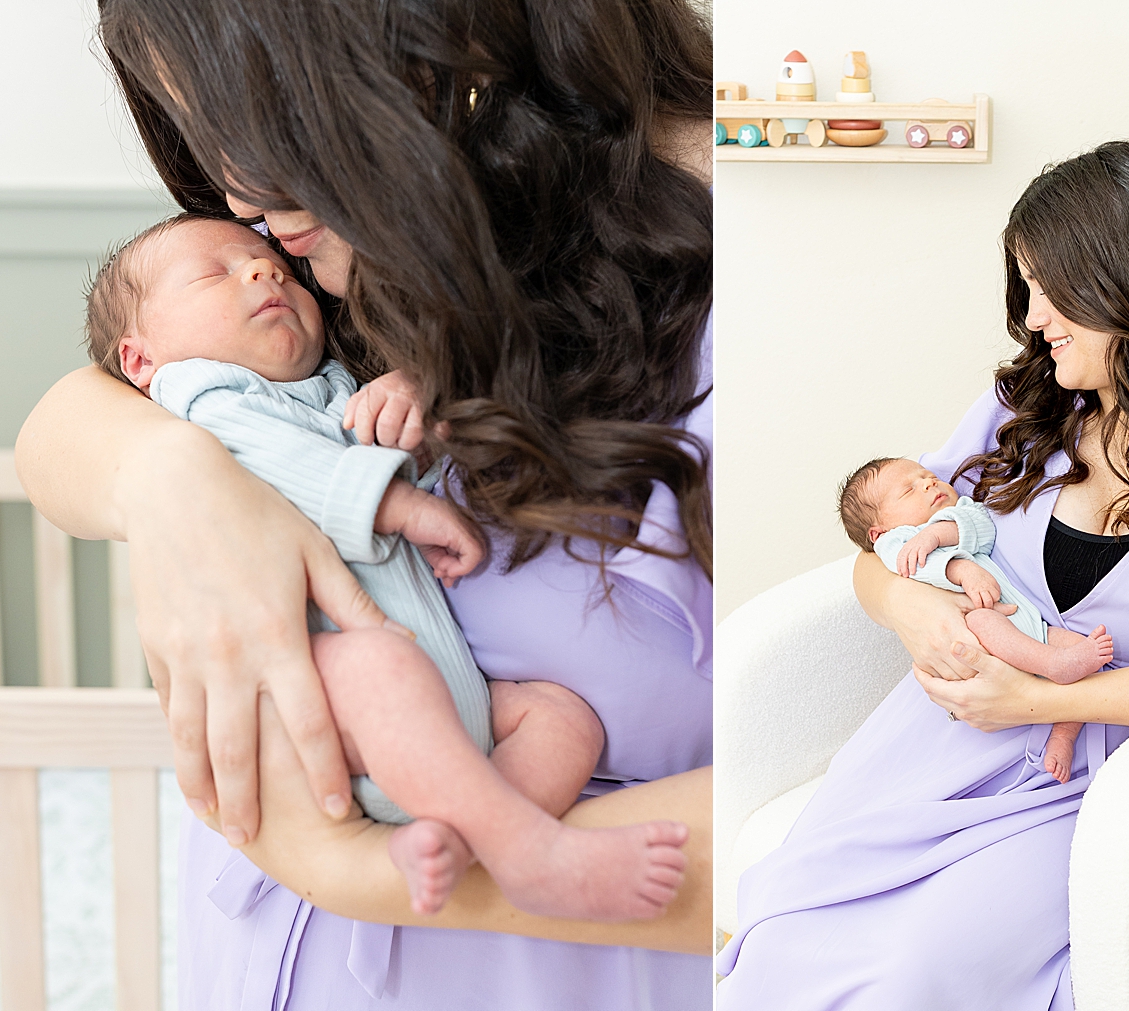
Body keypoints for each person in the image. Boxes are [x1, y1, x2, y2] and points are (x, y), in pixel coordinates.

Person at [17, 0, 713, 1005]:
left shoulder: (748, 298)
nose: (240, 198)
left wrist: (345, 865)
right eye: (204, 136)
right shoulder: (337, 273)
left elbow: (821, 812)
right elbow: (68, 420)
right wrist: (168, 479)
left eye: (262, 121)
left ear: (429, 22)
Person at [715, 141, 1129, 1009]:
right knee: (781, 948)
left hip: (1079, 784)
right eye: (1023, 289)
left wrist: (1040, 702)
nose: (1032, 318)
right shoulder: (1028, 408)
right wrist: (911, 608)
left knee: (916, 974)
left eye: (1048, 288)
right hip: (930, 744)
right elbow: (881, 553)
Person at [85, 214, 689, 920]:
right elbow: (287, 465)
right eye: (215, 273)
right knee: (379, 666)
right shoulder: (203, 397)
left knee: (563, 718)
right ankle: (528, 850)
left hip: (440, 706)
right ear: (139, 359)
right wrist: (400, 505)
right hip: (332, 692)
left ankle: (456, 837)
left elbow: (403, 467)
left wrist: (416, 406)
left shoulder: (334, 387)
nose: (263, 270)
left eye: (270, 262)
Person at [839, 455, 1115, 782]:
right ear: (878, 531)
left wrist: (939, 534)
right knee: (986, 623)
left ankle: (1063, 734)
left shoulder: (961, 513)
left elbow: (983, 528)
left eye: (927, 476)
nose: (928, 483)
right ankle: (1052, 665)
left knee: (1079, 649)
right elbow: (912, 568)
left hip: (1031, 628)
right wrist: (960, 568)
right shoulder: (895, 542)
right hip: (981, 633)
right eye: (908, 490)